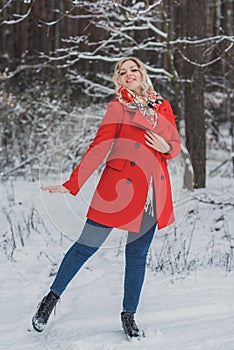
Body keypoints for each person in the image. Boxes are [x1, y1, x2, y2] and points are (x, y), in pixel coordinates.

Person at [32, 57, 181, 339]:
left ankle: (129, 315)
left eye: (133, 69)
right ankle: (50, 299)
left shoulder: (161, 105)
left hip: (150, 193)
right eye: (122, 72)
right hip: (116, 191)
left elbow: (174, 146)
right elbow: (99, 147)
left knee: (137, 255)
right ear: (118, 79)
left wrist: (166, 146)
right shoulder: (117, 108)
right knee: (84, 247)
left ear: (142, 73)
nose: (128, 74)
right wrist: (72, 183)